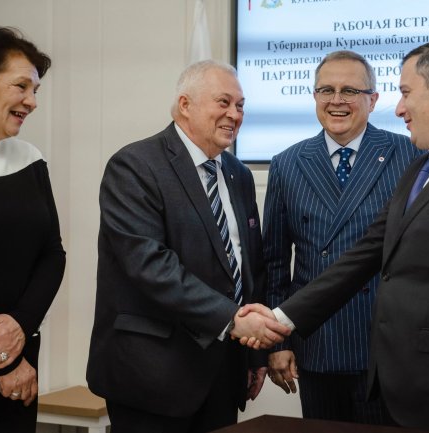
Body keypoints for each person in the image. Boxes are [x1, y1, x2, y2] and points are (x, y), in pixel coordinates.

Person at [241, 40, 429, 433]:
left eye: (405, 93)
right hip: (402, 381)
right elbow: (364, 255)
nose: (399, 108)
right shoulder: (425, 166)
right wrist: (280, 320)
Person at [86, 60, 290, 433]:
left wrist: (254, 355)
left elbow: (250, 268)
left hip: (223, 373)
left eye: (240, 105)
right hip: (152, 375)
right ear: (185, 104)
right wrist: (233, 320)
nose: (234, 114)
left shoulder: (238, 174)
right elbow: (150, 265)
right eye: (223, 102)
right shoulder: (134, 166)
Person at [263, 50, 421, 424]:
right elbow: (273, 263)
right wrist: (278, 341)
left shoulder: (409, 155)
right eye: (326, 90)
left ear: (373, 100)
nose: (336, 101)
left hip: (385, 345)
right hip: (317, 343)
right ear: (314, 96)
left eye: (350, 90)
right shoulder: (287, 163)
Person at [0, 26, 65, 432]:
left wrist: (21, 325)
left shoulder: (29, 158)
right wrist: (4, 361)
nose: (32, 102)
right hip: (5, 362)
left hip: (20, 358)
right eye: (21, 86)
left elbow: (52, 253)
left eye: (35, 90)